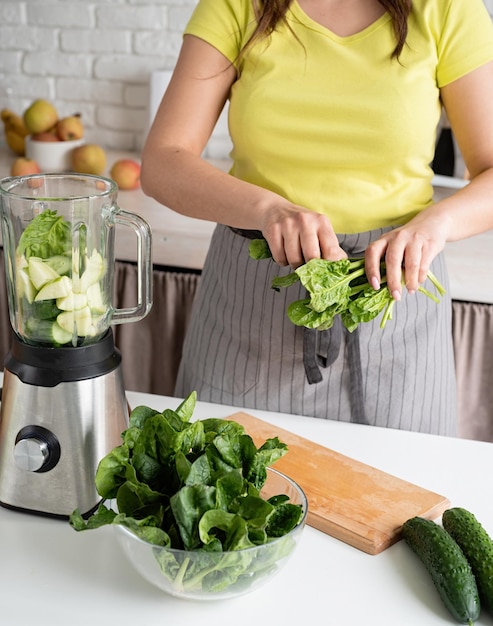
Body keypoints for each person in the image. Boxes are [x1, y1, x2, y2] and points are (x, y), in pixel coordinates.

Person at [141, 0, 493, 435]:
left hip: (396, 303)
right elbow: (163, 161)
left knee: (404, 497)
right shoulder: (236, 6)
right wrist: (266, 209)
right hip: (252, 297)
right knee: (223, 491)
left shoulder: (447, 8)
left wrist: (435, 224)